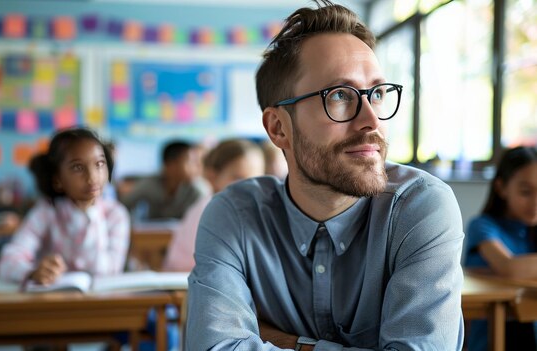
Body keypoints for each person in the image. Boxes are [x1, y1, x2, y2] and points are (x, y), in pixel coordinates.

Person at [185, 1, 465, 350]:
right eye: (340, 96)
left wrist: (293, 343)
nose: (372, 121)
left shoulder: (420, 206)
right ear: (279, 128)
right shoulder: (236, 216)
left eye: (377, 94)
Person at [0, 127, 130, 285]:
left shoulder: (116, 215)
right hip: (54, 304)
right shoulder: (46, 212)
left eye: (99, 164)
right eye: (78, 167)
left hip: (100, 305)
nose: (92, 177)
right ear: (58, 179)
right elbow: (7, 262)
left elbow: (110, 270)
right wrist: (33, 272)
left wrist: (92, 215)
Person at [463, 146, 537, 351]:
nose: (535, 202)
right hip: (492, 340)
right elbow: (510, 267)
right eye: (526, 192)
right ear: (501, 187)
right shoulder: (482, 225)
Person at [163, 138, 266, 272]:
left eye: (257, 178)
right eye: (238, 178)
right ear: (212, 177)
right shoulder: (210, 209)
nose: (249, 186)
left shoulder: (251, 210)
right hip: (184, 284)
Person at [119, 140, 209, 221]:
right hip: (153, 236)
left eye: (197, 162)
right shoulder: (150, 184)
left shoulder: (198, 190)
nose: (196, 167)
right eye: (190, 162)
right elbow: (124, 205)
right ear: (170, 165)